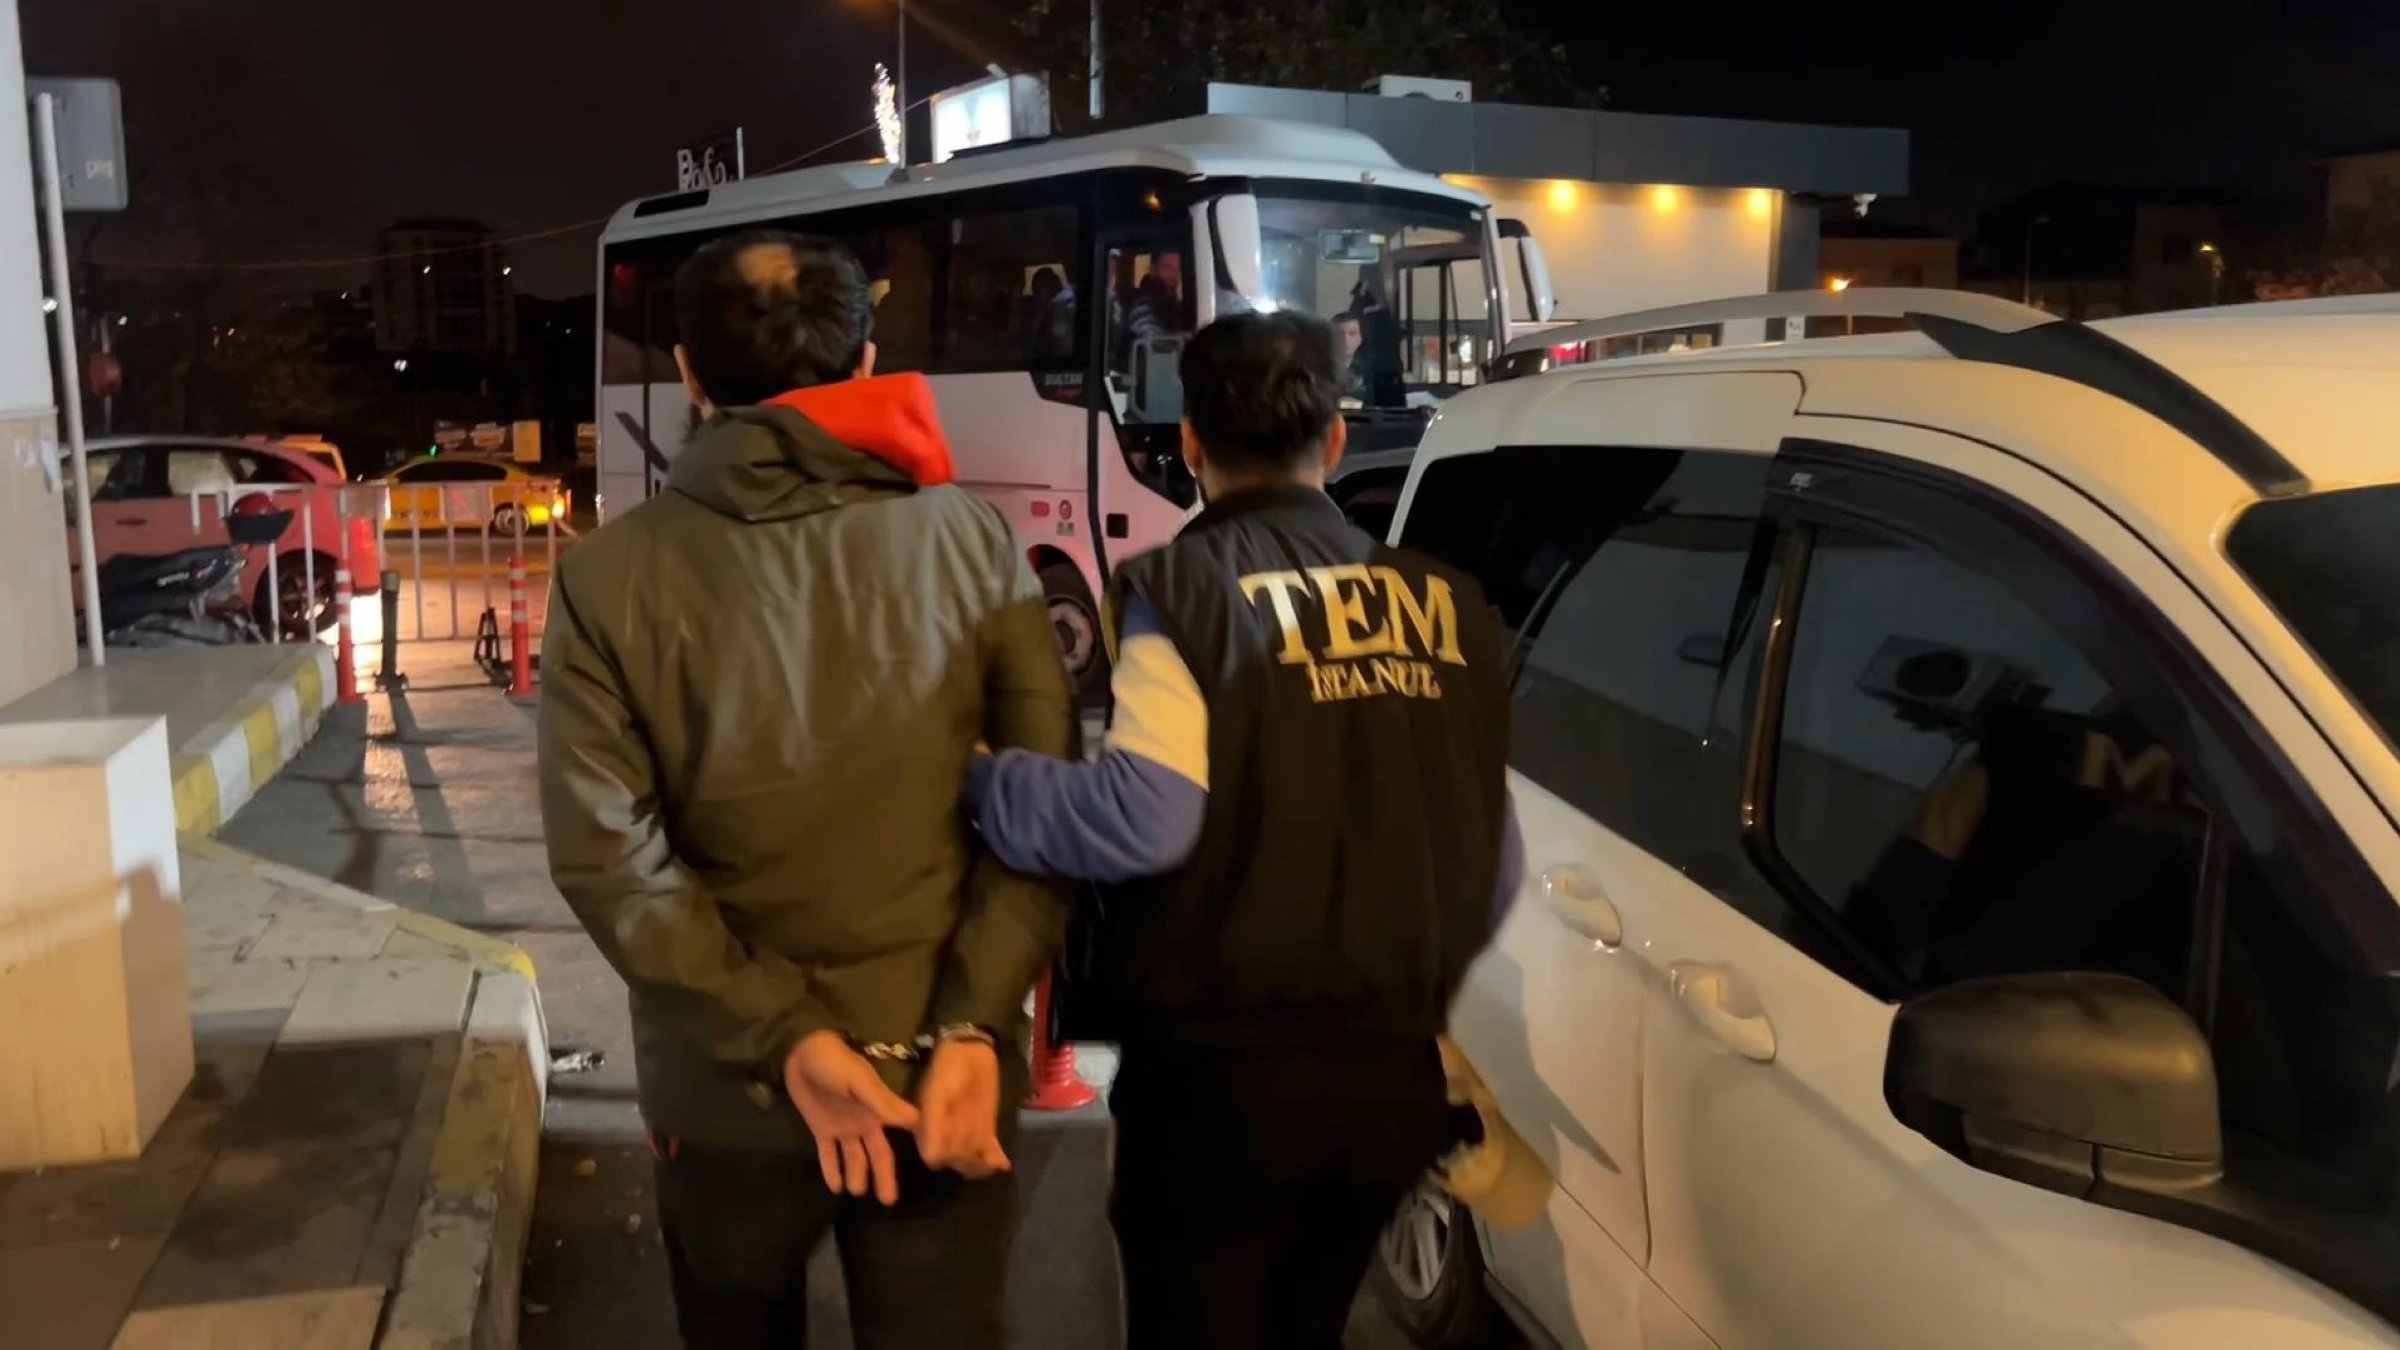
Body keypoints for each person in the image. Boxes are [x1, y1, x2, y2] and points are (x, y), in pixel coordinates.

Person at [538, 230, 1074, 1349]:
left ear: (688, 373)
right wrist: (973, 1021)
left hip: (723, 1093)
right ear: (866, 360)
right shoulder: (973, 544)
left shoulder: (606, 577)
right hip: (941, 1080)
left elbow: (610, 860)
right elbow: (1043, 816)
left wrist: (786, 1038)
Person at [965, 310, 1523, 1349]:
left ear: (1190, 444)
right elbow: (1491, 863)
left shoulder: (1186, 590)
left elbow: (1143, 816)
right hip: (1385, 1089)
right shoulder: (1448, 605)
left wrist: (993, 782)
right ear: (1336, 438)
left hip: (1220, 1097)